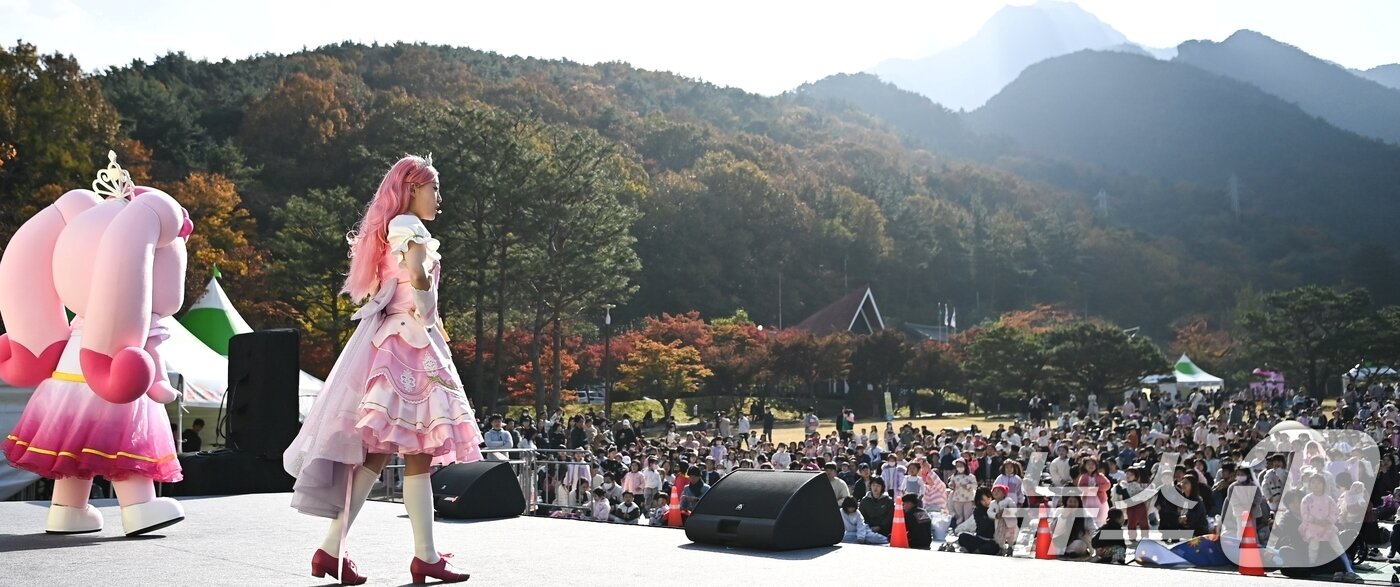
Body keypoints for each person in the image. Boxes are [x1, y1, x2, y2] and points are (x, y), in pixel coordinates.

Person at [284, 155, 479, 584]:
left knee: (378, 454)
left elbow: (404, 285)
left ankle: (331, 550)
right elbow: (418, 285)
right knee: (418, 455)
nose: (439, 199)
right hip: (409, 345)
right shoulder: (410, 228)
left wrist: (424, 293)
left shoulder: (397, 228)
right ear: (412, 189)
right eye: (434, 189)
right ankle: (423, 556)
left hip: (398, 341)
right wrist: (424, 283)